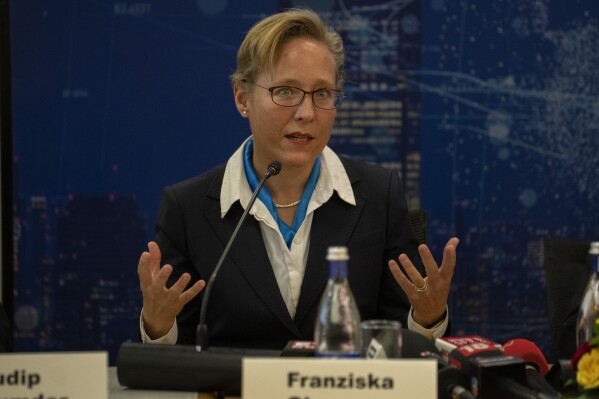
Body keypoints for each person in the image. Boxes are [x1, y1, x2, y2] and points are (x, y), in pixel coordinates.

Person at [138, 8, 459, 350]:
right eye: (286, 91)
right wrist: (158, 324)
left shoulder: (381, 195)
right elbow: (176, 358)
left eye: (322, 93)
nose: (306, 113)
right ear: (242, 97)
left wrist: (427, 317)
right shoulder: (187, 209)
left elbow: (404, 342)